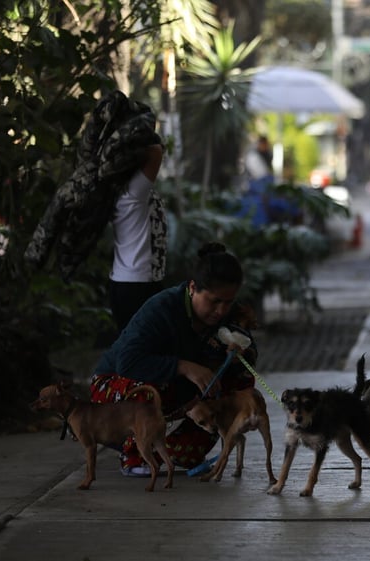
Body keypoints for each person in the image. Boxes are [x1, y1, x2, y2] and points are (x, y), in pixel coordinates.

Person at [91, 242, 257, 476]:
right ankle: (134, 455)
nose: (221, 310)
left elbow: (248, 350)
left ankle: (165, 450)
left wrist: (241, 355)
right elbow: (128, 363)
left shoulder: (230, 314)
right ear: (192, 288)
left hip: (178, 392)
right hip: (116, 388)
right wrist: (184, 369)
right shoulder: (162, 308)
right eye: (213, 301)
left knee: (238, 381)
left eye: (228, 302)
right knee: (150, 390)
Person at [109, 141, 167, 336]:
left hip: (129, 280)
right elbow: (156, 151)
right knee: (141, 351)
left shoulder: (123, 188)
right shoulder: (133, 190)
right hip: (137, 284)